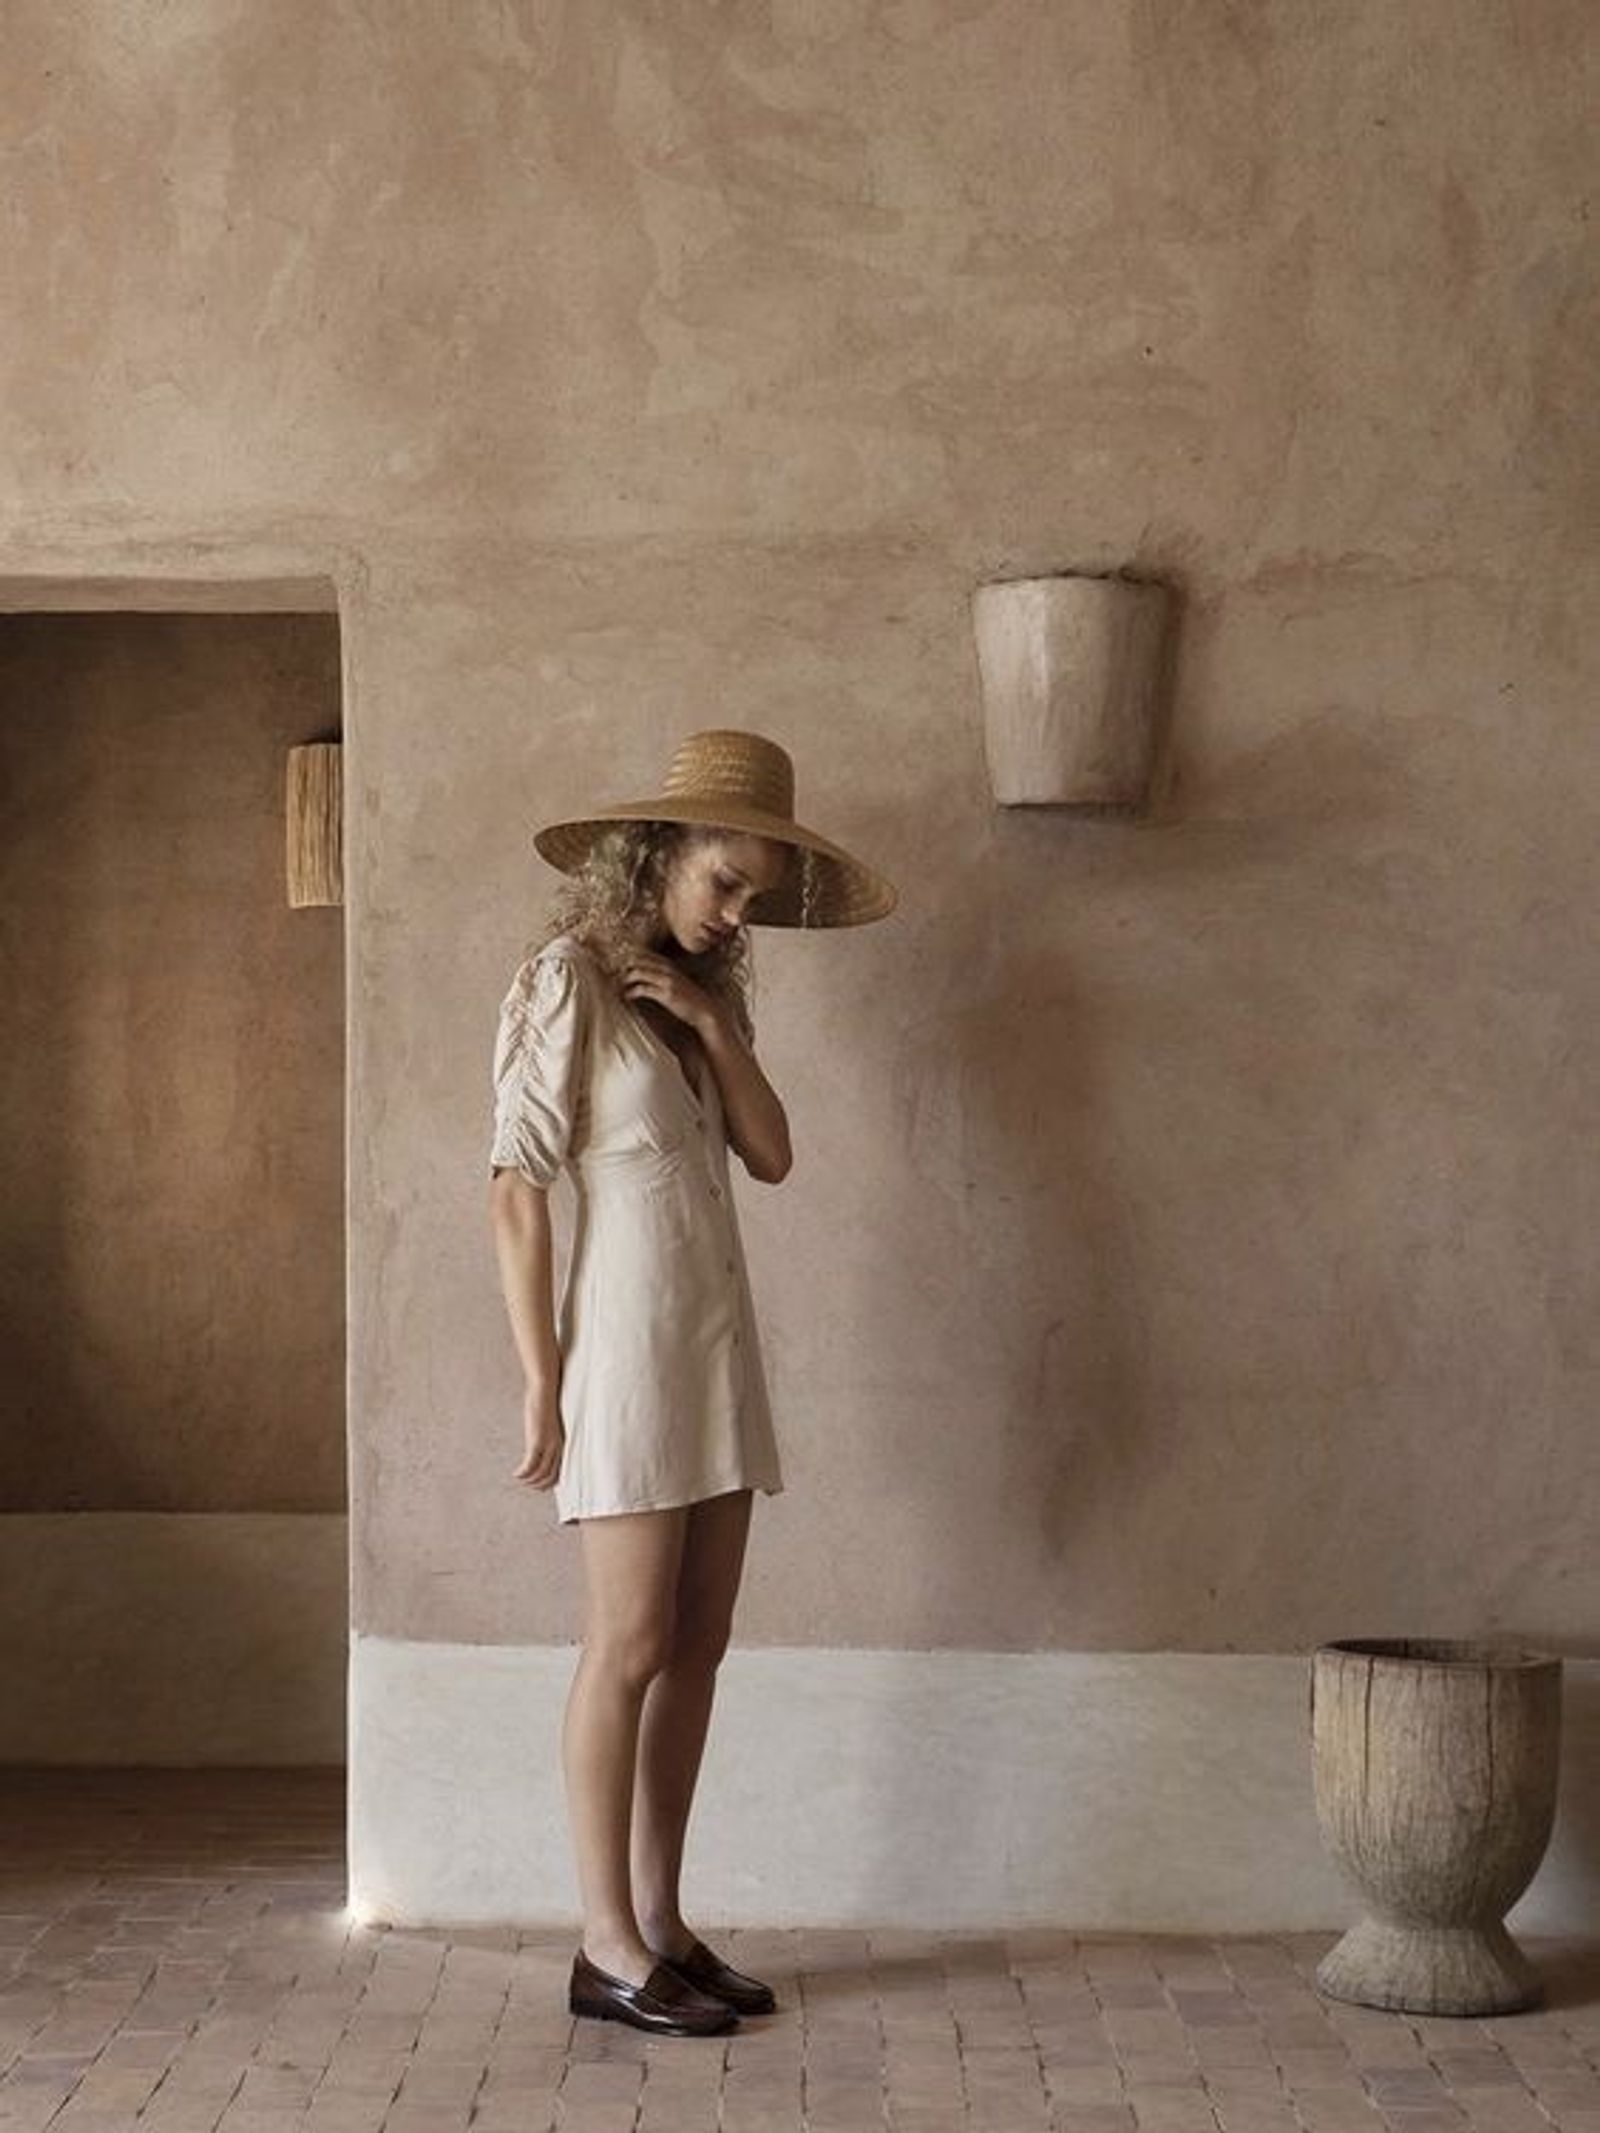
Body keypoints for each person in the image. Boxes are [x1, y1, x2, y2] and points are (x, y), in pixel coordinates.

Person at [487, 728, 896, 2038]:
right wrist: (542, 1382)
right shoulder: (565, 982)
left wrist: (716, 1019)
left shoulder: (692, 997)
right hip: (623, 1359)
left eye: (755, 898)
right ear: (658, 853)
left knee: (699, 1643)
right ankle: (603, 1944)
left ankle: (662, 1921)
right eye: (725, 881)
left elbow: (773, 1153)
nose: (737, 911)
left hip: (715, 1354)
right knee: (627, 1645)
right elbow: (514, 1188)